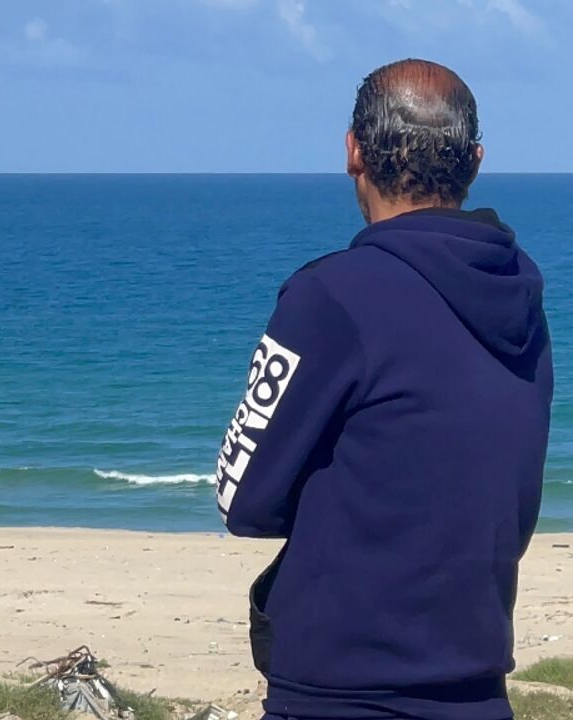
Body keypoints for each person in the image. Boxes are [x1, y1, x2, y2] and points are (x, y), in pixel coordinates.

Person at [215, 59, 551, 720]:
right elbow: (506, 499)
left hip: (342, 691)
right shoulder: (523, 297)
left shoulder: (331, 295)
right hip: (478, 688)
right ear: (474, 161)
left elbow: (241, 494)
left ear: (353, 153)